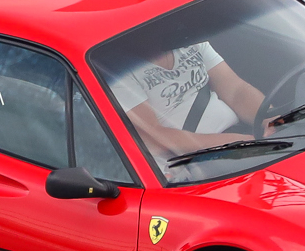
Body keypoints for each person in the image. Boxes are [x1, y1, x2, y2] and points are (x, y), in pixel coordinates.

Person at [110, 40, 270, 162]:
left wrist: (272, 120)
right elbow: (156, 137)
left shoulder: (189, 42)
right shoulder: (118, 71)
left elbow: (236, 90)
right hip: (196, 160)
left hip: (242, 138)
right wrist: (238, 144)